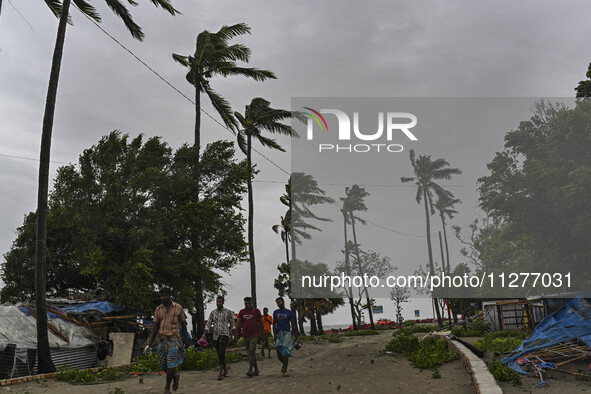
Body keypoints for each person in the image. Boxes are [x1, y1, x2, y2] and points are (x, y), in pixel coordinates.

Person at [147, 287, 190, 394]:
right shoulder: (158, 309)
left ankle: (167, 387)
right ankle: (175, 376)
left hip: (173, 339)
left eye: (165, 296)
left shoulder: (178, 308)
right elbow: (156, 326)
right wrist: (151, 341)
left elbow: (184, 324)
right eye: (161, 296)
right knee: (163, 364)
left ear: (170, 295)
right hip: (162, 339)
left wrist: (186, 340)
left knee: (171, 363)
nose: (162, 298)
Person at [202, 295, 236, 380]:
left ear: (223, 302)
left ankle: (220, 372)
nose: (218, 303)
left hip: (224, 335)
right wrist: (204, 334)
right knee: (219, 354)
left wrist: (236, 335)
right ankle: (225, 370)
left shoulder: (228, 312)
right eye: (217, 302)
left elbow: (232, 324)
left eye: (220, 302)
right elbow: (208, 324)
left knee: (221, 352)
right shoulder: (213, 313)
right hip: (215, 336)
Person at [236, 296, 264, 377]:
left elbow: (261, 323)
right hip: (246, 335)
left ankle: (250, 370)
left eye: (249, 303)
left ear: (251, 303)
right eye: (246, 303)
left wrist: (262, 334)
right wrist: (237, 332)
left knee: (252, 350)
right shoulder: (241, 312)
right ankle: (256, 369)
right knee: (251, 353)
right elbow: (238, 322)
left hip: (255, 334)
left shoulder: (256, 311)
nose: (247, 304)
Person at [273, 297, 299, 377]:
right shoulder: (275, 312)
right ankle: (284, 364)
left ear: (283, 302)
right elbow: (274, 324)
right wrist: (275, 334)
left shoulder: (289, 312)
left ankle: (285, 369)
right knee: (278, 351)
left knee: (285, 351)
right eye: (277, 303)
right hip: (279, 333)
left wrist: (296, 336)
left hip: (287, 333)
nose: (278, 304)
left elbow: (293, 324)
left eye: (279, 302)